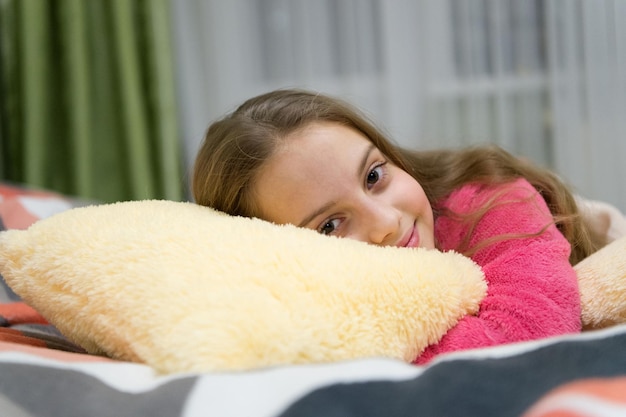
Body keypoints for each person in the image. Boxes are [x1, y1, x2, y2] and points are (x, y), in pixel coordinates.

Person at [192, 88, 601, 363]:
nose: (386, 222)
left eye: (373, 176)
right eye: (330, 225)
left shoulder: (491, 198)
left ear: (391, 156)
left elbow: (528, 343)